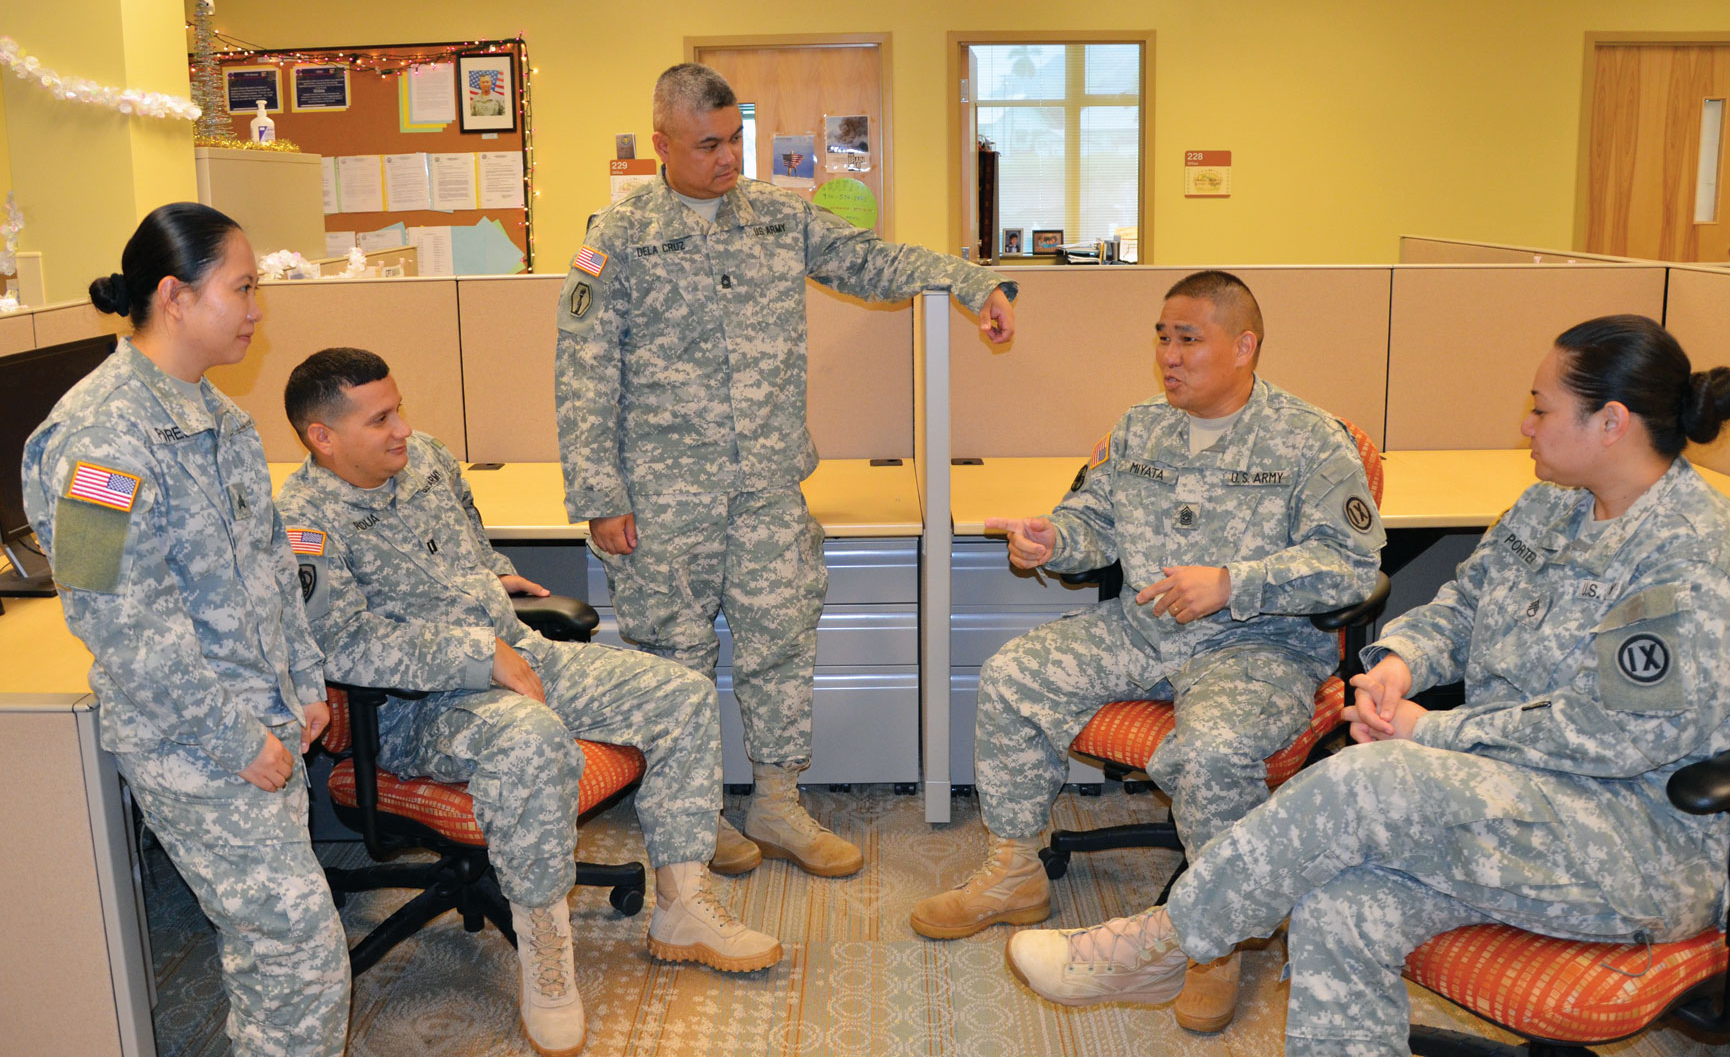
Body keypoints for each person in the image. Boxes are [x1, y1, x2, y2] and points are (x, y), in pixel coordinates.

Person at [1005, 315, 1730, 1057]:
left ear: (1609, 422)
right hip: (1506, 806)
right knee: (1337, 904)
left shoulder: (1693, 559)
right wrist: (1398, 662)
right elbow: (1465, 603)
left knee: (1371, 779)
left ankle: (1163, 942)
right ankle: (1178, 942)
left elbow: (1613, 736)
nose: (1525, 426)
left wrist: (1429, 731)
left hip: (1630, 846)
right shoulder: (1554, 504)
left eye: (1542, 408)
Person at [554, 61, 1018, 879]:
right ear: (661, 144)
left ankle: (774, 803)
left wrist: (968, 281)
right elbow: (582, 370)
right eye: (708, 145)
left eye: (736, 139)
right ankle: (694, 820)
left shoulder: (777, 217)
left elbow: (873, 266)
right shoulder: (616, 239)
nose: (728, 159)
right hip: (663, 500)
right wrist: (598, 496)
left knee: (779, 648)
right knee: (675, 663)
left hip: (767, 490)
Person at [911, 269, 1383, 1030]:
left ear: (1244, 346)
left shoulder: (1310, 441)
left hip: (1254, 648)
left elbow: (1351, 565)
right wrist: (1051, 540)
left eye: (1188, 339)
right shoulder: (1138, 430)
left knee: (1214, 746)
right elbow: (1092, 524)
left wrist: (1234, 583)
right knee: (1010, 677)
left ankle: (1212, 941)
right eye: (1161, 337)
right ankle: (1013, 871)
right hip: (1144, 629)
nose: (1168, 354)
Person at [277, 348, 781, 1057]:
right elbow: (342, 646)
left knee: (683, 695)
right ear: (321, 437)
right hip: (415, 709)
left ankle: (682, 913)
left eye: (399, 408)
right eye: (379, 418)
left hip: (517, 653)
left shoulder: (424, 457)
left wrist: (498, 577)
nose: (402, 429)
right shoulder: (303, 522)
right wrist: (478, 655)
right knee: (530, 738)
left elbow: (467, 535)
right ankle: (546, 960)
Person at [20, 203, 350, 1057]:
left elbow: (273, 567)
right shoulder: (99, 438)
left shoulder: (216, 415)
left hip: (265, 726)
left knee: (280, 954)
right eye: (241, 288)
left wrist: (305, 686)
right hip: (199, 745)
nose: (255, 309)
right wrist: (236, 739)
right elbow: (115, 618)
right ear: (174, 294)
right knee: (299, 956)